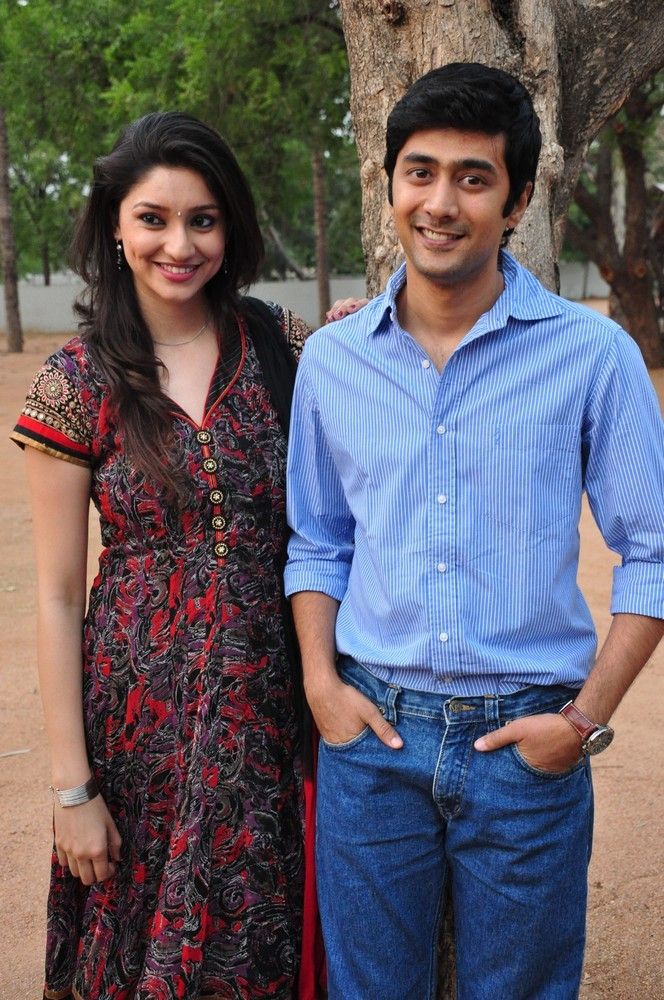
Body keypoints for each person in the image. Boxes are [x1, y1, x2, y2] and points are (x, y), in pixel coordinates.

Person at [284, 62, 664, 999]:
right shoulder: (333, 360)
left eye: (473, 177)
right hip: (372, 743)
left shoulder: (592, 356)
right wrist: (323, 688)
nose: (441, 203)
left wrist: (581, 722)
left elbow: (654, 551)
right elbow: (318, 540)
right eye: (420, 172)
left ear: (517, 200)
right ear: (390, 186)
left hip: (527, 747)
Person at [12, 111, 314, 1000]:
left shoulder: (285, 346)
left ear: (231, 227)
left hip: (271, 720)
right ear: (116, 225)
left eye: (202, 220)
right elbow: (58, 597)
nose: (179, 245)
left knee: (265, 947)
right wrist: (73, 790)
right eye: (153, 219)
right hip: (138, 738)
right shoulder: (79, 378)